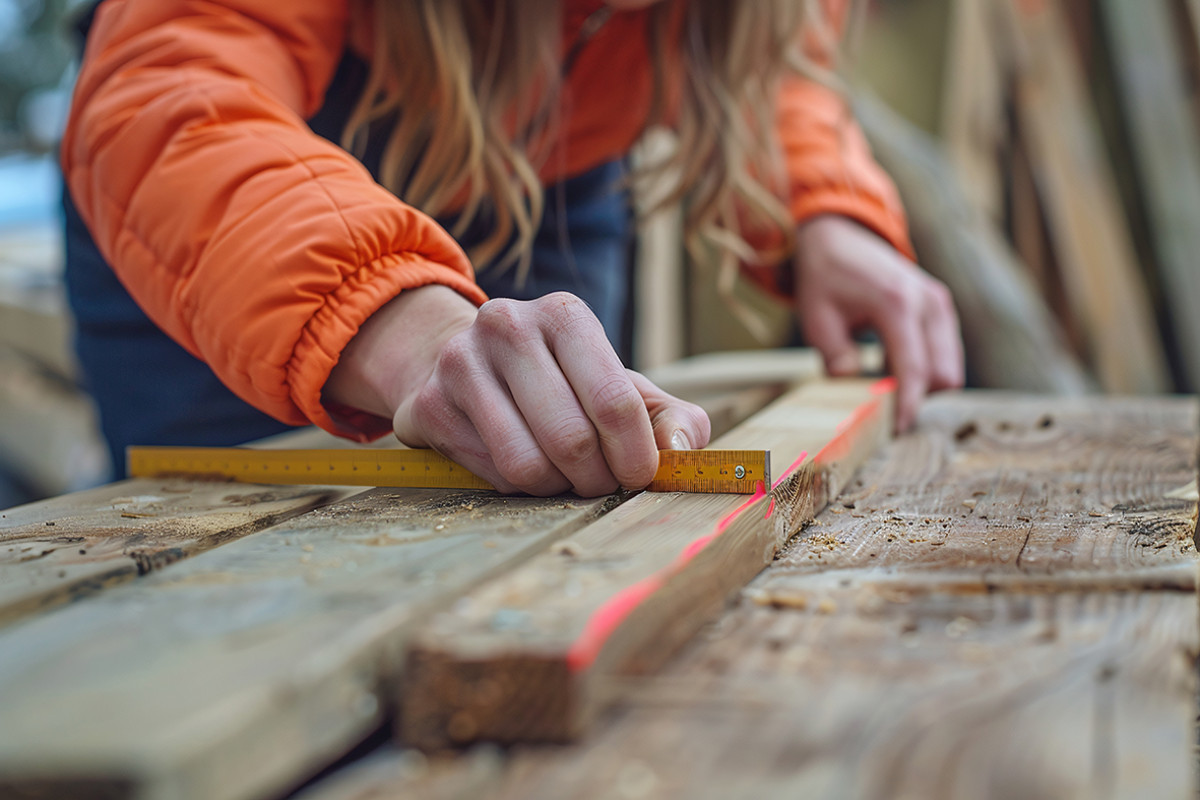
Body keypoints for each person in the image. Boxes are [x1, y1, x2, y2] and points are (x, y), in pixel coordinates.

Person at [61, 0, 962, 497]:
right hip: (223, 208)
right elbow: (175, 96)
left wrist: (823, 207)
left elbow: (774, 51)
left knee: (562, 495)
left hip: (561, 173)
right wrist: (380, 315)